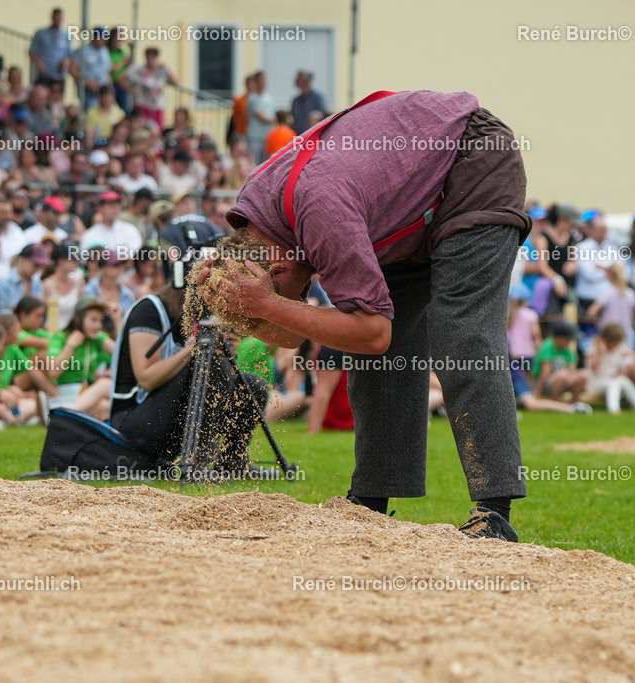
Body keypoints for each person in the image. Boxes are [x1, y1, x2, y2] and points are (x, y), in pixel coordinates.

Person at [201, 89, 530, 540]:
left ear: (275, 268)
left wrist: (268, 304)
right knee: (372, 347)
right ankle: (370, 503)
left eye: (276, 293)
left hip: (473, 160)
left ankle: (494, 512)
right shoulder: (259, 216)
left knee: (461, 334)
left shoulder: (318, 211)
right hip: (407, 204)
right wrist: (235, 295)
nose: (280, 309)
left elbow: (373, 332)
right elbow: (296, 335)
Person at [108, 281, 268, 468]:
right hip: (135, 421)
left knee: (253, 386)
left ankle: (232, 462)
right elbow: (146, 379)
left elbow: (222, 383)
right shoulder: (148, 310)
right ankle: (198, 463)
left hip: (174, 422)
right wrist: (196, 347)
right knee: (214, 365)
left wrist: (225, 351)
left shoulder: (198, 316)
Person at [45, 298, 116, 420]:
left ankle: (64, 416)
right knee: (105, 391)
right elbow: (53, 372)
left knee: (107, 405)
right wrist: (70, 346)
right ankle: (66, 415)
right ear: (78, 319)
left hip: (88, 392)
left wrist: (117, 320)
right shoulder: (60, 338)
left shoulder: (96, 338)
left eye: (100, 321)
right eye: (93, 320)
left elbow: (122, 354)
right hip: (66, 392)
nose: (99, 325)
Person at [585, 323, 635, 414]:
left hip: (613, 380)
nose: (616, 344)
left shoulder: (620, 347)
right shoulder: (594, 347)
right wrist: (601, 351)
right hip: (595, 383)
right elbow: (593, 368)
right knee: (613, 383)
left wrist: (627, 368)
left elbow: (634, 356)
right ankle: (614, 410)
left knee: (623, 380)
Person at [532, 321, 588, 403]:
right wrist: (538, 391)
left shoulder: (567, 348)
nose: (570, 341)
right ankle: (554, 402)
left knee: (583, 374)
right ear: (560, 338)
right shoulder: (548, 345)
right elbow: (545, 371)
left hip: (563, 381)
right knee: (563, 375)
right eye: (569, 339)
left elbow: (572, 368)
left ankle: (574, 402)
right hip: (545, 383)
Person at [126, 47, 176, 130]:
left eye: (153, 58)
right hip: (142, 104)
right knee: (142, 128)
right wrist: (131, 90)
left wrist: (167, 68)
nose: (150, 61)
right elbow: (123, 78)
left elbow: (175, 82)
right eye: (148, 58)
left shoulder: (162, 70)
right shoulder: (139, 70)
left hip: (157, 106)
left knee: (158, 129)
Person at [0, 243, 49, 313]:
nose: (37, 269)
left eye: (41, 266)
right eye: (35, 264)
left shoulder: (37, 284)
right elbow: (1, 313)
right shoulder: (3, 283)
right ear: (23, 260)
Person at [29, 8, 71, 87]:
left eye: (60, 18)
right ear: (52, 17)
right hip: (44, 73)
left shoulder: (66, 35)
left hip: (59, 75)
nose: (58, 20)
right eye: (56, 18)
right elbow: (32, 51)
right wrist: (38, 63)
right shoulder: (41, 33)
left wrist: (66, 62)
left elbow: (69, 54)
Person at [290, 70, 327, 134]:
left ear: (304, 80)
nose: (295, 80)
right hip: (298, 137)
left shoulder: (317, 98)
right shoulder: (295, 100)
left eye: (298, 78)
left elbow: (323, 116)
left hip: (312, 137)